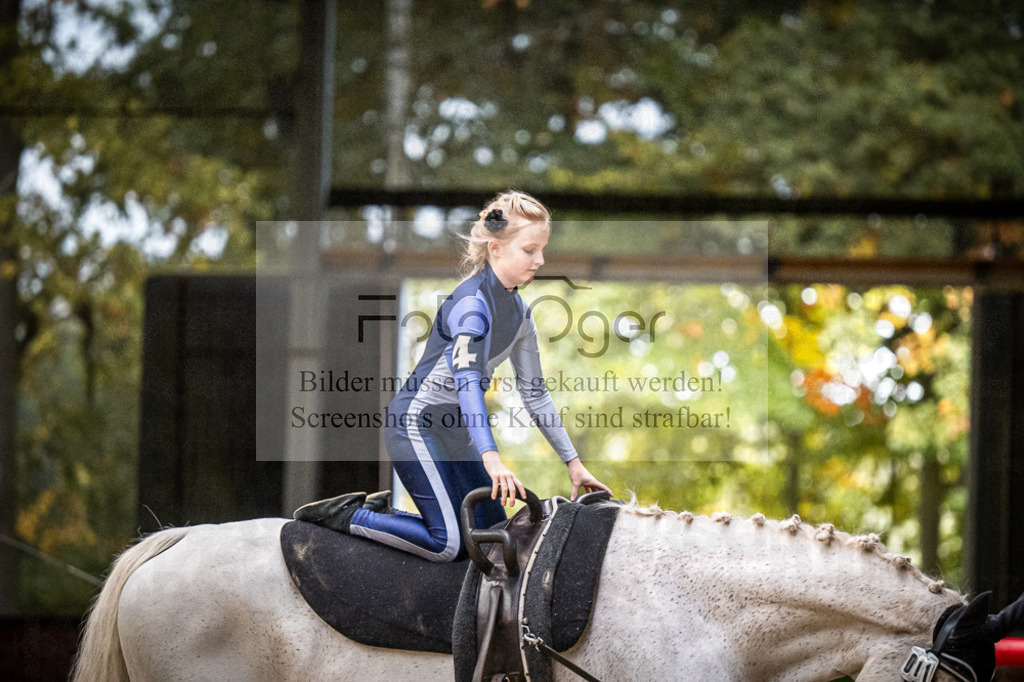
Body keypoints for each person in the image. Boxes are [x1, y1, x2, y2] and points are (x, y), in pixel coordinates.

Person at [294, 190, 612, 562]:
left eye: (543, 250)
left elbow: (535, 394)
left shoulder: (522, 314)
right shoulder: (471, 305)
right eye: (529, 250)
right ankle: (351, 515)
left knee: (494, 539)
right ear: (495, 248)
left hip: (456, 430)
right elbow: (466, 383)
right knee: (447, 544)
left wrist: (573, 464)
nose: (540, 260)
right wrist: (491, 457)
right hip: (415, 424)